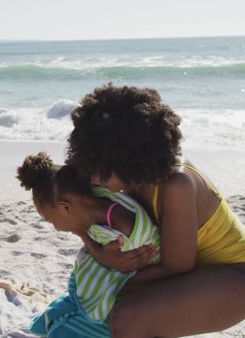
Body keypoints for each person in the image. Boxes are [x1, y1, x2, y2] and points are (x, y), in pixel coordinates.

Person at [66, 84, 245, 337]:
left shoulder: (176, 185)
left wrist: (114, 284)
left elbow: (177, 267)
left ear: (130, 157)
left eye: (102, 166)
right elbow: (76, 220)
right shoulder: (125, 180)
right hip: (196, 275)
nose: (93, 176)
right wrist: (103, 257)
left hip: (234, 277)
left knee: (128, 318)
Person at [15, 153, 160, 337]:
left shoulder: (124, 227)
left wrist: (103, 257)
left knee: (60, 332)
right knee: (45, 322)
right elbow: (101, 253)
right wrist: (94, 246)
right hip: (111, 290)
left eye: (50, 220)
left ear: (65, 208)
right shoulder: (95, 204)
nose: (55, 228)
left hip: (129, 302)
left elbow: (119, 270)